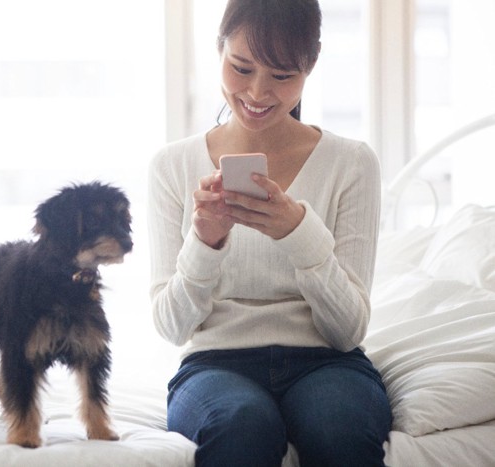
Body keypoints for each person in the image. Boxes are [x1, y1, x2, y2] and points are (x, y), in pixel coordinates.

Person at [146, 0, 392, 466]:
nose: (258, 92)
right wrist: (206, 242)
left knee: (339, 427)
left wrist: (299, 233)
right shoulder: (172, 166)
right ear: (219, 50)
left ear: (310, 66)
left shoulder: (352, 163)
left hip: (327, 362)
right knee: (240, 424)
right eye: (241, 67)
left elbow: (348, 330)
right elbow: (171, 326)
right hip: (215, 364)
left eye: (282, 76)